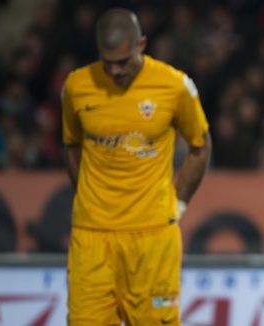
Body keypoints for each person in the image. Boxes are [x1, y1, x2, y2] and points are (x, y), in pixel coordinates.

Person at [62, 8, 211, 326]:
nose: (115, 71)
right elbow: (71, 143)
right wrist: (88, 197)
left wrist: (179, 203)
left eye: (123, 61)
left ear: (141, 44)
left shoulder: (175, 86)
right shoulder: (76, 86)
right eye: (108, 62)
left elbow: (201, 146)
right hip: (91, 240)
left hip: (153, 238)